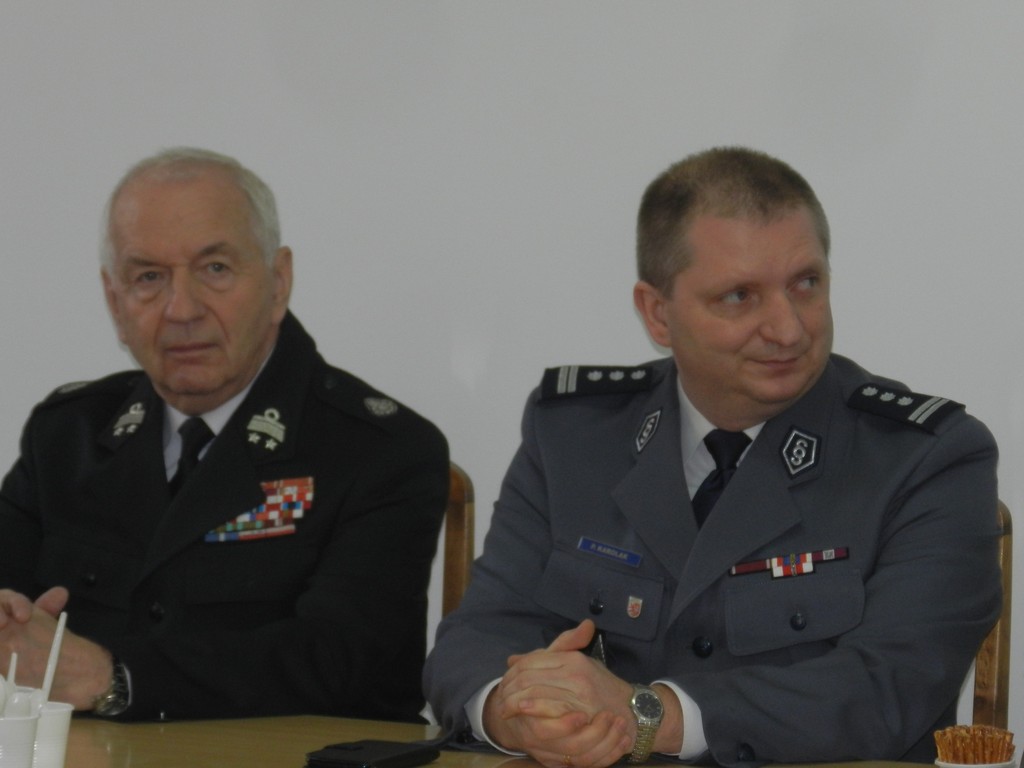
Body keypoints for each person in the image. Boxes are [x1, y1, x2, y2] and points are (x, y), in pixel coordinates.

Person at [423, 147, 1001, 767]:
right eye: (740, 296)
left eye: (806, 284)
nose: (789, 329)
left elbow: (889, 687)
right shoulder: (575, 435)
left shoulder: (925, 458)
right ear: (658, 314)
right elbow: (482, 633)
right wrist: (513, 711)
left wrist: (652, 716)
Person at [0, 147, 449, 722]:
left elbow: (343, 661)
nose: (181, 309)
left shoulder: (379, 450)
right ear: (115, 302)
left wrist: (112, 677)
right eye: (148, 277)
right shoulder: (66, 435)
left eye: (215, 269)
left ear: (278, 283)